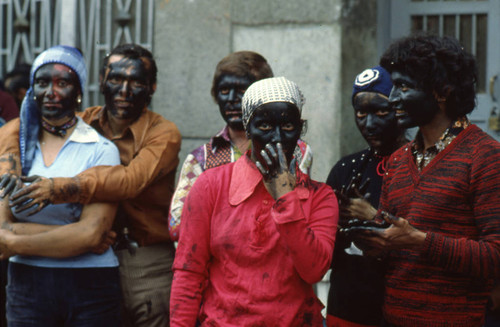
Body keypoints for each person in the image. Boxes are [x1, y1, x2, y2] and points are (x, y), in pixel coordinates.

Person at [0, 44, 181, 327]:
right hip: (89, 256)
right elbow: (19, 126)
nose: (124, 90)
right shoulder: (85, 121)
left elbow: (129, 181)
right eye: (116, 80)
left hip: (143, 260)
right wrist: (9, 161)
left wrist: (58, 188)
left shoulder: (163, 133)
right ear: (101, 81)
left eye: (136, 82)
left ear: (152, 87)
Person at [355, 34, 500, 326]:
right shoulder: (397, 160)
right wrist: (372, 240)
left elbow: (494, 256)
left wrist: (420, 241)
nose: (393, 98)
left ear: (442, 92)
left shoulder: (486, 157)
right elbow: (394, 251)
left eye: (403, 87)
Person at [170, 76, 338, 326]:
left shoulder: (320, 196)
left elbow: (313, 270)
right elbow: (189, 272)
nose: (278, 138)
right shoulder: (210, 186)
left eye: (288, 127)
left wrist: (285, 196)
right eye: (266, 127)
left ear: (300, 130)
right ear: (248, 129)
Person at [0, 45, 122, 326]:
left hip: (91, 285)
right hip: (26, 285)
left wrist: (15, 242)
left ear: (78, 92)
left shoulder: (100, 150)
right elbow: (1, 227)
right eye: (42, 83)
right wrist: (71, 235)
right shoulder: (13, 149)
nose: (51, 92)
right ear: (32, 89)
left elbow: (92, 234)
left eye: (62, 83)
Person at [168, 51, 312, 241]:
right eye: (224, 91)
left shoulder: (296, 150)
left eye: (243, 91)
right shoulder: (202, 157)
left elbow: (303, 211)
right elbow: (177, 225)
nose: (232, 99)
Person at [326, 66, 407, 327]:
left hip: (396, 309)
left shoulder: (419, 167)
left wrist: (372, 218)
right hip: (346, 306)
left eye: (381, 112)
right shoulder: (346, 169)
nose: (369, 124)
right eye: (361, 113)